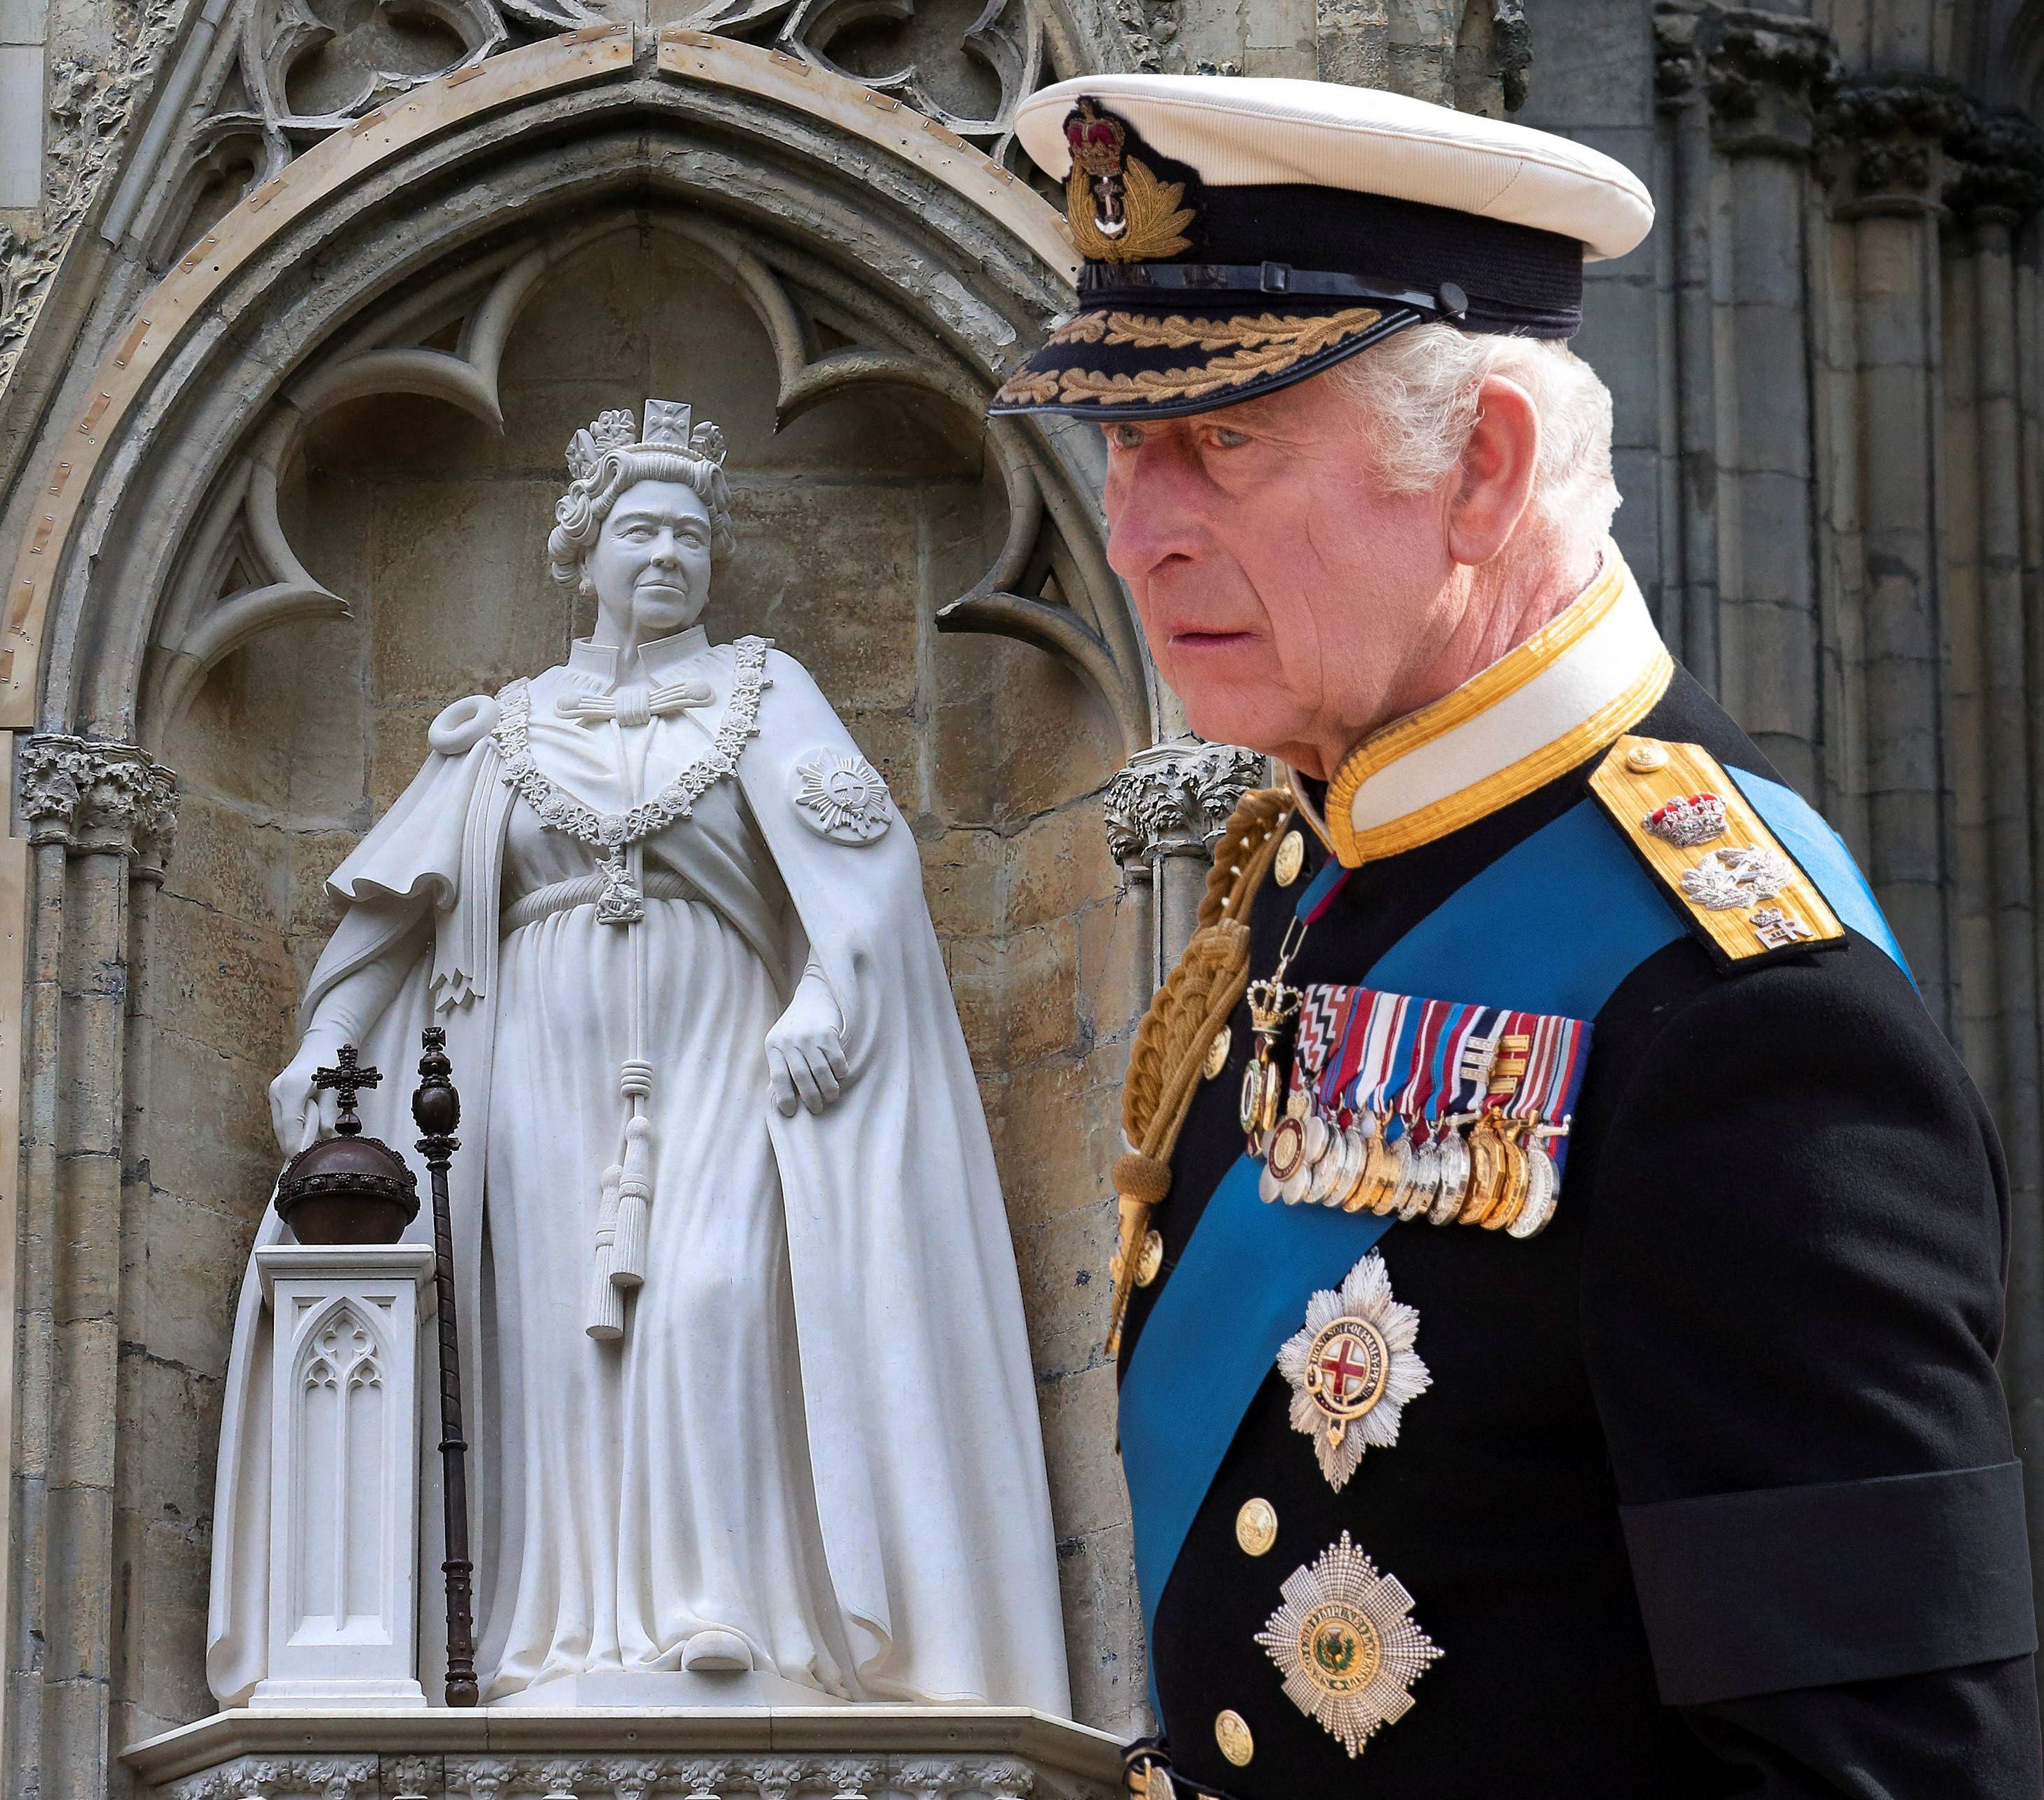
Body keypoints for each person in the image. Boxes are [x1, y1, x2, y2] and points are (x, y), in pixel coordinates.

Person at [988, 73, 2043, 1798]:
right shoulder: (1312, 853)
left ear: (1478, 466)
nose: (1135, 530)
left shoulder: (1739, 1005)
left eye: (1224, 442)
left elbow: (1890, 1765)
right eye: (1120, 447)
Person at [204, 399, 1070, 1712]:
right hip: (529, 1062)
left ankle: (727, 1602)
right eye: (642, 530)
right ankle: (555, 1635)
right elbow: (396, 902)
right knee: (557, 1335)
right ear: (585, 548)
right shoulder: (501, 728)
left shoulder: (765, 692)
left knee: (715, 1292)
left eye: (691, 535)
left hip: (722, 1038)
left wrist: (835, 995)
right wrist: (330, 1037)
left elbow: (866, 872)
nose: (669, 556)